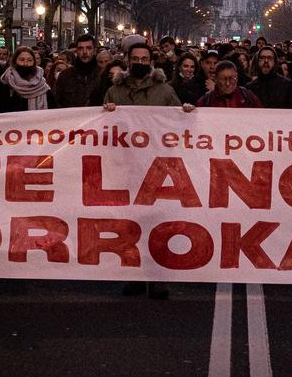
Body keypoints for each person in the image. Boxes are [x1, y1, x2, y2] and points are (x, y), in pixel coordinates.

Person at [102, 42, 182, 300]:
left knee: (158, 224)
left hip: (157, 166)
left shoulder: (165, 91)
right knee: (130, 225)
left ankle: (158, 278)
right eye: (135, 58)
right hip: (127, 167)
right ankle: (134, 276)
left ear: (151, 62)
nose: (139, 62)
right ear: (127, 61)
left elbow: (179, 124)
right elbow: (102, 128)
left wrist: (187, 112)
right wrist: (107, 113)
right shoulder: (114, 91)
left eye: (144, 59)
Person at [0, 46, 55, 114]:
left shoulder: (43, 88)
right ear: (14, 62)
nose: (25, 63)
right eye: (22, 60)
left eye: (30, 60)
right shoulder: (4, 86)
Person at [54, 34, 103, 108]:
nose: (85, 52)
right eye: (80, 48)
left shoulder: (103, 75)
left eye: (89, 48)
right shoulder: (65, 76)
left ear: (95, 50)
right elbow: (56, 102)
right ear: (77, 51)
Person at [191, 60, 261, 108]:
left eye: (231, 79)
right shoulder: (207, 100)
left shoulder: (248, 97)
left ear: (236, 77)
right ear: (216, 79)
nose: (227, 83)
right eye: (223, 79)